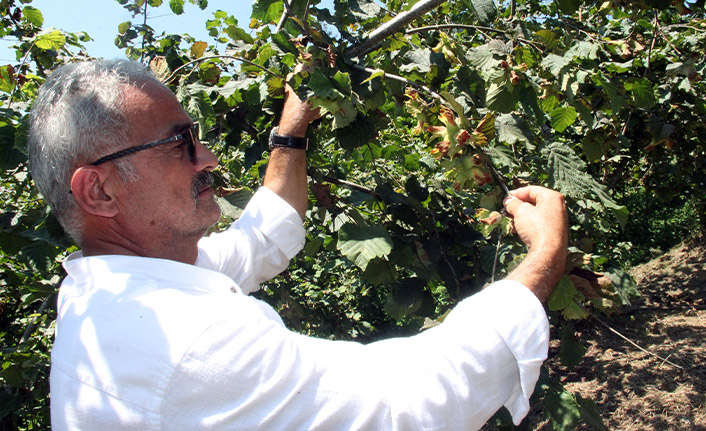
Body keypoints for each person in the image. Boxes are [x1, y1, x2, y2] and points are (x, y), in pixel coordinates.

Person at [28, 59, 568, 431]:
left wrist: (291, 131)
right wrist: (544, 254)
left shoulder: (119, 296)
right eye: (179, 144)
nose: (208, 158)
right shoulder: (190, 344)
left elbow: (262, 236)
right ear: (99, 189)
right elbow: (411, 406)